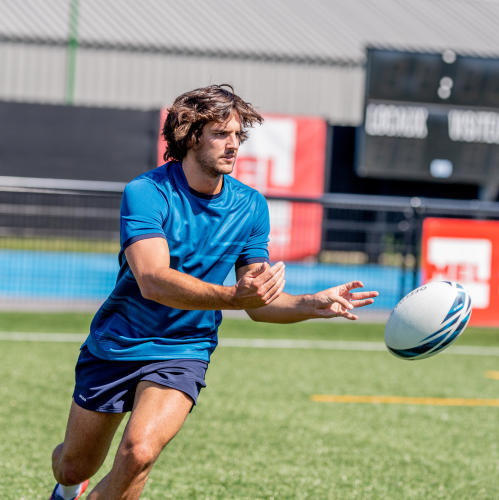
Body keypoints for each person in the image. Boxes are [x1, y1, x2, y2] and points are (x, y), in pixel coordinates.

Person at [49, 84, 378, 500]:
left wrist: (313, 304)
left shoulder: (251, 206)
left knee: (140, 452)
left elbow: (257, 301)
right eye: (222, 133)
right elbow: (152, 279)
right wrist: (231, 298)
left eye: (239, 135)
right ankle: (68, 487)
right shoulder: (147, 191)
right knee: (73, 464)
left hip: (183, 350)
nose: (234, 145)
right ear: (190, 135)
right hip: (117, 343)